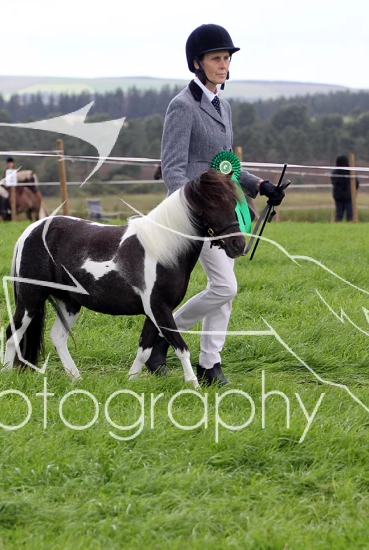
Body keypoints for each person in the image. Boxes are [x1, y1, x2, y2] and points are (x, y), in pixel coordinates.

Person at [146, 23, 286, 386]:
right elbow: (173, 169)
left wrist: (261, 185)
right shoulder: (182, 107)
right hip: (196, 216)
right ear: (197, 63)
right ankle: (163, 333)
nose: (223, 65)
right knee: (225, 287)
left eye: (226, 58)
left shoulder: (223, 106)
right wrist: (192, 211)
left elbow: (225, 165)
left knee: (224, 290)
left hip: (221, 211)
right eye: (216, 59)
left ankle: (210, 364)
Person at [330, 155, 359, 222]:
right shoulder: (350, 172)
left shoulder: (334, 172)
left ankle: (337, 224)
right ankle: (351, 225)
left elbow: (333, 182)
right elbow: (356, 184)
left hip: (338, 196)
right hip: (349, 197)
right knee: (350, 215)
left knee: (339, 214)